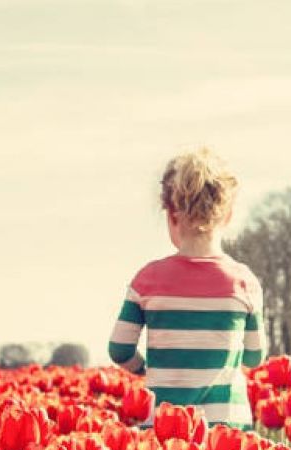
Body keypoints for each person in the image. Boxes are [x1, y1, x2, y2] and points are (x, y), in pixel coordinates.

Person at [108, 148, 265, 429]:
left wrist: (145, 369)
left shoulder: (148, 280)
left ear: (171, 215)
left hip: (164, 427)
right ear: (228, 215)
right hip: (226, 425)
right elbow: (255, 356)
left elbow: (119, 349)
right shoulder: (244, 282)